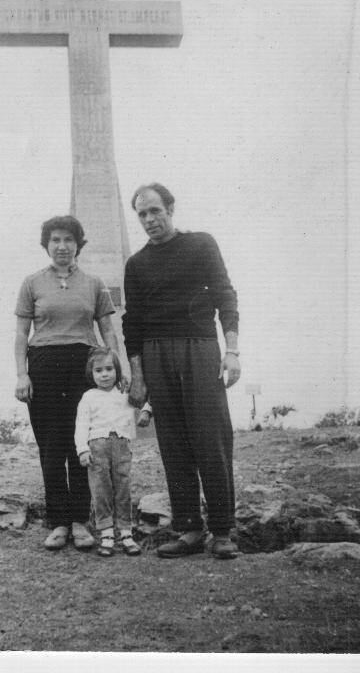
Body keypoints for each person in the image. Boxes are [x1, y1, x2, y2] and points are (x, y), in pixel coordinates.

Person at [122, 183, 241, 560]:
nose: (149, 220)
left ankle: (222, 530)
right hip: (156, 355)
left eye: (155, 211)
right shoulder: (136, 264)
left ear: (170, 208)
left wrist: (233, 351)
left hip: (200, 348)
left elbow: (225, 296)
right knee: (173, 444)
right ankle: (189, 529)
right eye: (142, 214)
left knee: (211, 439)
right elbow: (133, 323)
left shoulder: (201, 244)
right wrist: (139, 375)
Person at [14, 215, 122, 551]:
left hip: (82, 367)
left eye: (69, 240)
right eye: (56, 240)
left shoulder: (93, 283)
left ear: (79, 245)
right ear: (46, 244)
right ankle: (58, 522)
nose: (62, 246)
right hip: (44, 366)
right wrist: (22, 373)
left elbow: (107, 330)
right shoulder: (32, 283)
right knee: (51, 446)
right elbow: (21, 334)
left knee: (83, 446)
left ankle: (80, 521)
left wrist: (116, 367)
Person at [75, 346, 145, 558]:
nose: (104, 374)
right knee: (101, 490)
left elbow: (142, 399)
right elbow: (81, 424)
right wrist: (82, 450)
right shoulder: (89, 396)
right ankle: (106, 533)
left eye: (109, 369)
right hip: (97, 447)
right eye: (98, 371)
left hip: (121, 445)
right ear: (91, 373)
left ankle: (126, 532)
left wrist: (146, 412)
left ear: (117, 370)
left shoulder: (124, 393)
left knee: (123, 487)